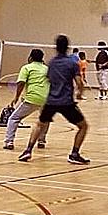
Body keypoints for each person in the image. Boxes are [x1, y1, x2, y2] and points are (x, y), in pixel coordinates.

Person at [18, 35, 89, 165]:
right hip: (66, 102)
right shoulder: (72, 63)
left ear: (56, 47)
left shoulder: (51, 63)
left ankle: (28, 150)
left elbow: (50, 80)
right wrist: (79, 93)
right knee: (83, 126)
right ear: (67, 47)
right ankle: (74, 153)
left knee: (39, 124)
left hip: (51, 101)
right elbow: (79, 82)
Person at [3, 48, 50, 151]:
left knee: (13, 118)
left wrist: (16, 98)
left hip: (32, 98)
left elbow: (21, 83)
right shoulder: (47, 69)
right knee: (45, 119)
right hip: (46, 99)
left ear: (30, 58)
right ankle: (41, 140)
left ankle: (9, 141)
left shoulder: (26, 68)